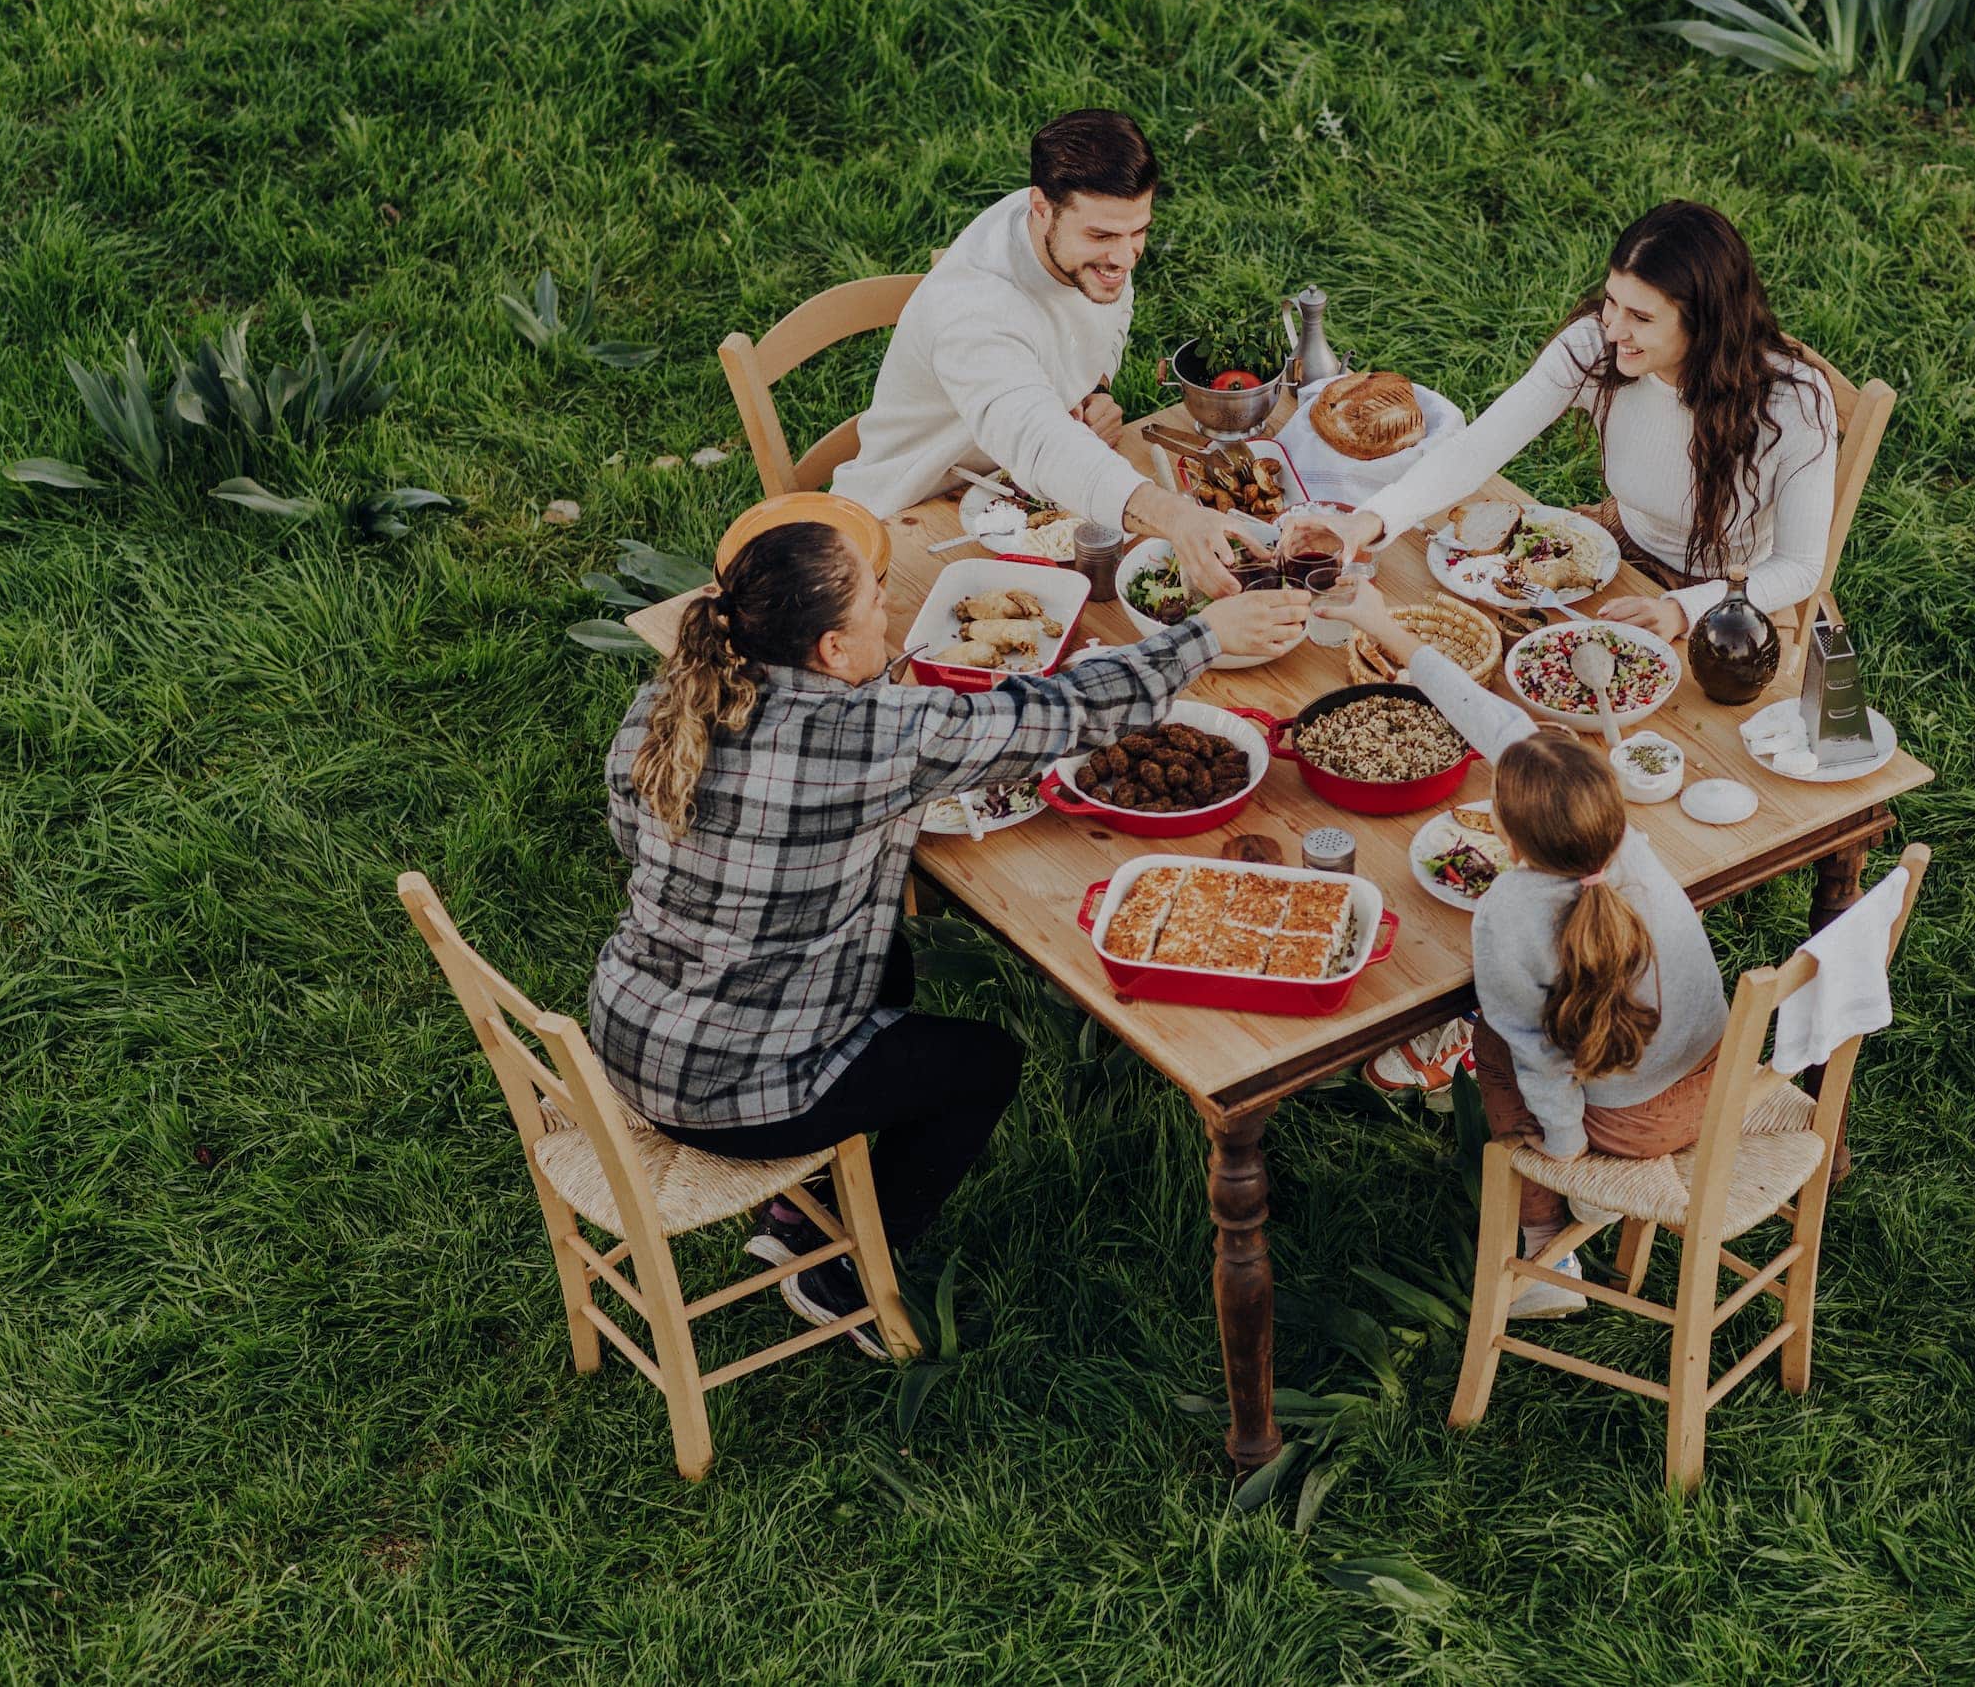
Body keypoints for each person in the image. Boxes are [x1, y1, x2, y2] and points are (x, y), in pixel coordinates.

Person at [591, 517, 1310, 1352]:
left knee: (886, 956)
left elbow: (632, 837)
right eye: (872, 609)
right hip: (729, 1094)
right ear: (829, 649)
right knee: (981, 1064)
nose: (888, 624)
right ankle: (839, 1275)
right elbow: (1060, 710)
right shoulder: (873, 737)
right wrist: (1203, 638)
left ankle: (804, 1205)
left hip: (630, 1028)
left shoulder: (672, 695)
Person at [1341, 584, 1729, 1319]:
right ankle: (1587, 1186)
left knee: (1493, 1038)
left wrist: (1563, 1143)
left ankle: (1547, 1240)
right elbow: (1498, 722)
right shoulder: (1627, 850)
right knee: (1539, 1029)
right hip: (1717, 1077)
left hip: (1632, 1119)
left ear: (1508, 843)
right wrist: (1379, 622)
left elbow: (1537, 1053)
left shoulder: (1507, 915)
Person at [1284, 201, 1838, 638]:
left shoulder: (1792, 407)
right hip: (1619, 541)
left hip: (1730, 590)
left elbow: (1797, 568)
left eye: (1641, 316)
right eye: (1612, 301)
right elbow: (1477, 449)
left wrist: (1679, 610)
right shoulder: (1597, 348)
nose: (1613, 329)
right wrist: (1368, 522)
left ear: (1706, 324)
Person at [829, 108, 1244, 593]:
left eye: (1140, 232)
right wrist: (1174, 516)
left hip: (1014, 494)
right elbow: (1038, 439)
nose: (1125, 257)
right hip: (906, 518)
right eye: (1104, 237)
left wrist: (1094, 388)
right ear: (1040, 208)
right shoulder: (973, 310)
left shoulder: (1085, 237)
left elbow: (1113, 311)